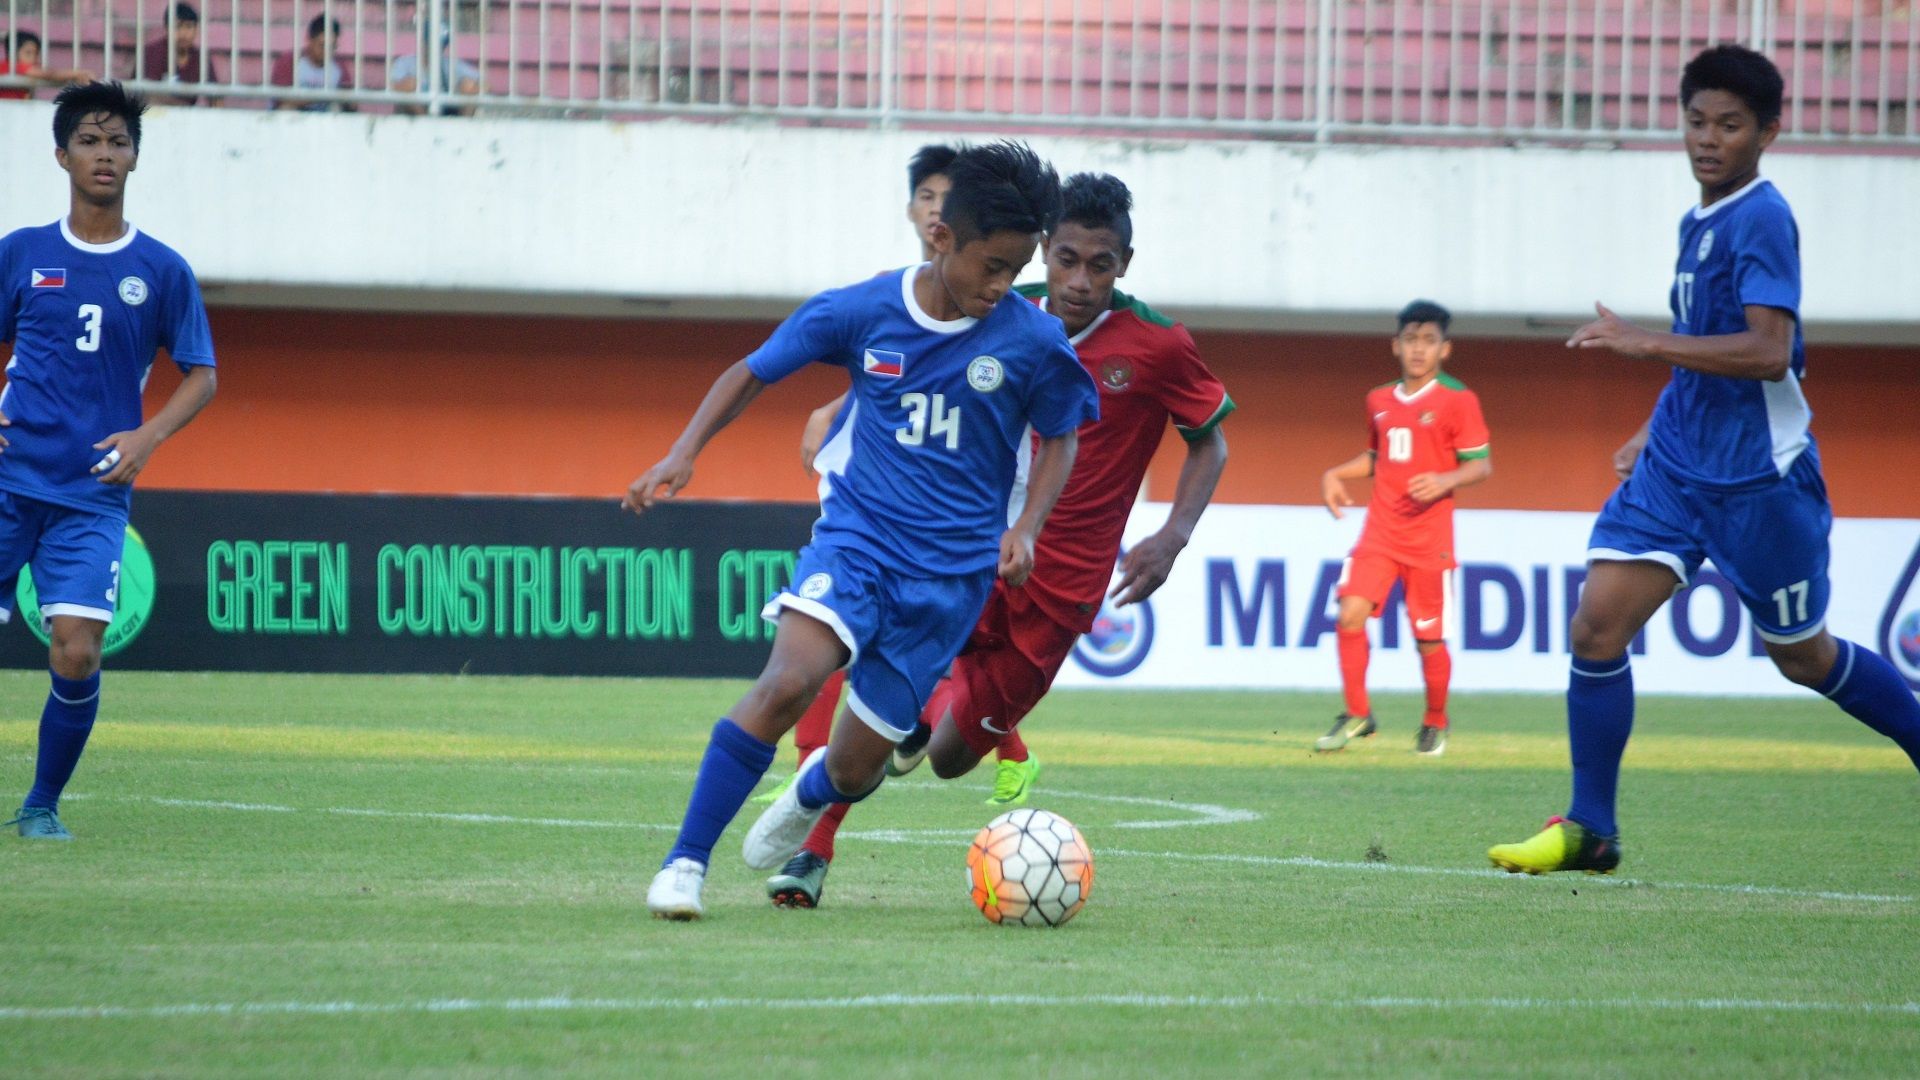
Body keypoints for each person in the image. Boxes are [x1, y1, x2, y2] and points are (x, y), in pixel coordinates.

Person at [635, 142, 1097, 920]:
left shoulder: (1033, 342)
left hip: (948, 586)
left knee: (853, 770)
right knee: (787, 682)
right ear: (943, 237)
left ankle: (810, 791)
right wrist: (684, 451)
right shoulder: (862, 311)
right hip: (859, 544)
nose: (1001, 287)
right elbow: (752, 369)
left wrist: (1027, 525)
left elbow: (1063, 435)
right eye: (991, 266)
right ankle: (685, 864)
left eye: (1015, 272)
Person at [1487, 45, 1920, 875]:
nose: (1708, 139)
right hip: (1680, 468)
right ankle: (1591, 827)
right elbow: (1706, 354)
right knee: (1597, 623)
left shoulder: (1761, 215)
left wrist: (1642, 342)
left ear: (1769, 133)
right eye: (1696, 121)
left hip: (1760, 482)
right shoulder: (1700, 221)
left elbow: (1768, 350)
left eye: (1730, 125)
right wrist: (1656, 427)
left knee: (1804, 656)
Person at [766, 172, 1234, 909]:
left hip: (1061, 595)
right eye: (1067, 259)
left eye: (1100, 265)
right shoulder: (1003, 314)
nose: (1080, 280)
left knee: (950, 759)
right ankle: (812, 847)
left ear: (1125, 264)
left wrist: (1171, 537)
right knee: (880, 684)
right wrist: (841, 400)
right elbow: (913, 360)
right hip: (974, 550)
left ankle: (921, 713)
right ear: (1045, 251)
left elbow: (1209, 443)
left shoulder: (1159, 345)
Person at [0, 82, 218, 839]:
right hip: (8, 480)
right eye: (89, 141)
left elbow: (203, 374)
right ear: (62, 155)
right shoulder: (22, 253)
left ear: (134, 159)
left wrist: (146, 436)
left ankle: (39, 806)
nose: (105, 154)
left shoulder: (161, 270)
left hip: (92, 494)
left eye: (118, 142)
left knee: (79, 650)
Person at [1316, 300, 1491, 757]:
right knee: (1349, 613)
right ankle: (1358, 714)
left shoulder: (1458, 400)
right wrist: (1336, 474)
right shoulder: (1379, 400)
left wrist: (1445, 479)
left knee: (1428, 639)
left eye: (1429, 341)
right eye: (1411, 339)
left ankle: (1435, 721)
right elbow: (1379, 457)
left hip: (1429, 543)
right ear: (1396, 345)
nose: (1419, 349)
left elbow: (1481, 464)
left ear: (1445, 349)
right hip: (1380, 533)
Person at [389, 1, 482, 116]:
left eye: (440, 46)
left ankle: (463, 126)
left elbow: (482, 83)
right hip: (414, 116)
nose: (434, 50)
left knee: (469, 85)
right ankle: (425, 122)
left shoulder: (450, 64)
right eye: (430, 44)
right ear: (423, 42)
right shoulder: (405, 63)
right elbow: (395, 86)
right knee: (409, 84)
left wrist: (463, 87)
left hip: (447, 112)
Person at [270, 14, 355, 112]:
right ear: (310, 40)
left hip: (324, 120)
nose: (327, 51)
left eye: (332, 46)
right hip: (295, 119)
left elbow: (351, 104)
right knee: (287, 109)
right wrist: (321, 96)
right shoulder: (289, 61)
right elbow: (281, 99)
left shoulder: (339, 67)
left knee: (336, 108)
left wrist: (347, 100)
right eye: (322, 45)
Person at [140, 4, 219, 107]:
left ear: (196, 30)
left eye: (189, 27)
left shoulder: (200, 58)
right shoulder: (153, 52)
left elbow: (216, 97)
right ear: (166, 28)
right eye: (177, 27)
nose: (183, 33)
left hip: (188, 119)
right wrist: (185, 110)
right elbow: (147, 95)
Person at [1, 31, 96, 100]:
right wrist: (77, 73)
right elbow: (50, 74)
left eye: (36, 53)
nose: (33, 58)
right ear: (12, 53)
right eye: (28, 53)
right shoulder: (12, 66)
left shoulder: (26, 67)